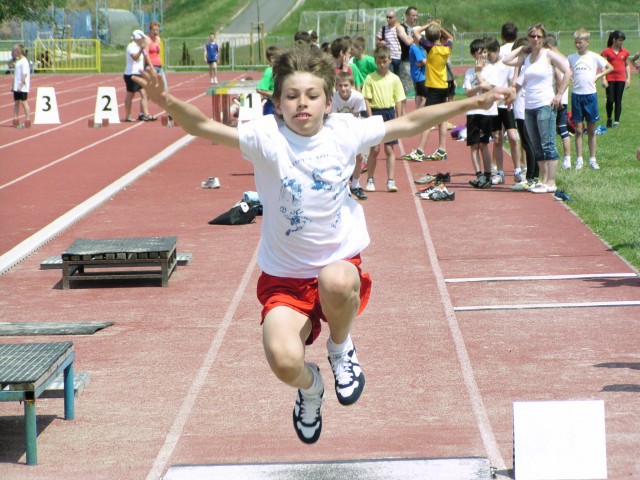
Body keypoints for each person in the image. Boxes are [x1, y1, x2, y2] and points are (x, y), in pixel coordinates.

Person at [133, 46, 510, 445]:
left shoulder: (345, 131)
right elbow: (204, 129)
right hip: (284, 279)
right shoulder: (265, 137)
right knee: (282, 360)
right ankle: (311, 388)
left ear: (328, 102)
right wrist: (166, 101)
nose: (302, 104)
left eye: (312, 96)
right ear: (276, 103)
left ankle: (340, 347)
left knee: (335, 279)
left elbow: (413, 120)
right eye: (292, 96)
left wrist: (472, 102)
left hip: (337, 262)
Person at [503, 23, 571, 194]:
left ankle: (551, 181)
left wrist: (559, 94)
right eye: (532, 36)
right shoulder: (526, 58)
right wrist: (521, 49)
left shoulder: (548, 55)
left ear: (543, 38)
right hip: (529, 106)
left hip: (545, 104)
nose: (535, 39)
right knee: (536, 145)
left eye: (538, 36)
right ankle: (544, 180)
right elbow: (506, 60)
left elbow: (568, 71)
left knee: (548, 143)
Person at [567, 29, 613, 171]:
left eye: (580, 42)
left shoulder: (594, 57)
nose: (578, 45)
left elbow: (610, 67)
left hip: (590, 95)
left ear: (587, 42)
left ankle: (592, 159)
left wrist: (599, 76)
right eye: (576, 43)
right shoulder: (571, 57)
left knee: (591, 129)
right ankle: (579, 159)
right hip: (576, 95)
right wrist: (570, 77)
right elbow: (564, 70)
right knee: (579, 129)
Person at [362, 45, 406, 193]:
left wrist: (399, 119)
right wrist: (370, 117)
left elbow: (399, 99)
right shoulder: (370, 78)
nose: (382, 65)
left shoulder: (395, 79)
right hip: (375, 113)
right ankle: (370, 179)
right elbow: (367, 99)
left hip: (389, 113)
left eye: (385, 61)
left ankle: (391, 181)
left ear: (390, 60)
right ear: (375, 61)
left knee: (389, 149)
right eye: (379, 62)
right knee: (374, 149)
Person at [412, 21, 454, 161]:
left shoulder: (430, 48)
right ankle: (442, 149)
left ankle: (420, 151)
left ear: (428, 37)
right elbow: (451, 38)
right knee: (442, 119)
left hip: (435, 88)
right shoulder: (446, 48)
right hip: (444, 86)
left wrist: (429, 24)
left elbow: (415, 32)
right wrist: (440, 28)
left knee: (427, 120)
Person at [485, 36, 523, 185]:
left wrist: (507, 97)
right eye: (486, 54)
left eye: (490, 54)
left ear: (496, 50)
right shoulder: (487, 66)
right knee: (497, 139)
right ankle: (500, 172)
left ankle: (518, 170)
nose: (488, 57)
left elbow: (511, 84)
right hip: (493, 106)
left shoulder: (505, 64)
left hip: (505, 105)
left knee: (513, 137)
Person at [463, 38, 497, 189]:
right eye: (478, 52)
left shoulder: (491, 70)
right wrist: (478, 82)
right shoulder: (469, 72)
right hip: (472, 111)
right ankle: (479, 175)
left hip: (486, 112)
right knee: (473, 146)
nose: (482, 55)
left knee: (484, 144)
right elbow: (468, 92)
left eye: (484, 51)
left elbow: (489, 89)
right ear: (473, 54)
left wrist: (479, 74)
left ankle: (488, 175)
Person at [332, 72, 367, 200]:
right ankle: (345, 186)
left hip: (353, 128)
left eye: (346, 85)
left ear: (351, 85)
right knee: (342, 159)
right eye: (340, 85)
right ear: (336, 86)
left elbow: (355, 117)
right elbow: (334, 118)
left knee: (359, 157)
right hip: (339, 129)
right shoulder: (334, 98)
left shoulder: (358, 98)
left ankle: (356, 184)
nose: (343, 88)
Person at [544, 34, 572, 170]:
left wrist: (558, 96)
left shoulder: (554, 59)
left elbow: (559, 78)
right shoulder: (565, 59)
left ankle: (561, 158)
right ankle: (567, 159)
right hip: (562, 98)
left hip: (556, 100)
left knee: (558, 129)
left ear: (549, 47)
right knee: (562, 128)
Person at [401, 32, 428, 162]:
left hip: (421, 77)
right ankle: (419, 118)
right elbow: (422, 61)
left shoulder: (421, 48)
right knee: (422, 99)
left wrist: (424, 63)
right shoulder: (414, 47)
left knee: (420, 98)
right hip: (419, 77)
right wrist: (427, 62)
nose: (422, 38)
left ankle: (419, 118)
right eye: (420, 36)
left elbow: (422, 62)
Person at [600, 30, 631, 128]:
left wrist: (628, 78)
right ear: (614, 40)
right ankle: (609, 118)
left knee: (618, 100)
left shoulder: (625, 52)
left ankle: (616, 121)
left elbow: (626, 65)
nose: (621, 42)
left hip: (621, 79)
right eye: (620, 40)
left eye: (622, 41)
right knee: (610, 100)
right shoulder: (606, 52)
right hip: (610, 78)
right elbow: (603, 66)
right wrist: (604, 79)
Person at [124, 30, 155, 122]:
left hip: (139, 74)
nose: (143, 40)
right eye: (142, 38)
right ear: (138, 38)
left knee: (144, 93)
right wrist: (141, 50)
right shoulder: (131, 46)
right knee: (131, 94)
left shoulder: (141, 47)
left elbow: (146, 57)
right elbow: (135, 58)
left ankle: (146, 114)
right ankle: (128, 115)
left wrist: (151, 67)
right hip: (131, 74)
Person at [376, 10, 402, 75]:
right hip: (389, 57)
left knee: (399, 78)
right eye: (387, 17)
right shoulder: (383, 29)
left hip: (399, 57)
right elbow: (377, 41)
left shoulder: (399, 28)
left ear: (395, 18)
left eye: (390, 17)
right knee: (390, 76)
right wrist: (380, 43)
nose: (388, 19)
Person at [256, 45, 280, 115]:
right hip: (271, 107)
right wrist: (275, 95)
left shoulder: (280, 70)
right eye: (279, 57)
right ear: (272, 58)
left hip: (279, 105)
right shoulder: (269, 71)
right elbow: (259, 89)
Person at [11, 43, 30, 129]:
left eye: (14, 51)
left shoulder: (24, 61)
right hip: (16, 86)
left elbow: (24, 74)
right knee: (16, 103)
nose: (13, 53)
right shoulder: (18, 61)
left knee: (24, 102)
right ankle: (15, 118)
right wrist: (13, 85)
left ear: (18, 51)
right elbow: (16, 74)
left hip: (22, 86)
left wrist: (21, 85)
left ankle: (27, 119)